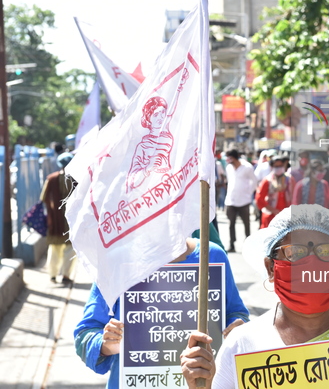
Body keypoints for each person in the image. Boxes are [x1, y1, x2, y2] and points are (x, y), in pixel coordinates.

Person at [180, 205, 329, 389]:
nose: (311, 264)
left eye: (326, 251)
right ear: (271, 268)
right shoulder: (242, 344)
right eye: (295, 252)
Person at [74, 238, 249, 389]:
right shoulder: (117, 262)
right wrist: (105, 345)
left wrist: (236, 327)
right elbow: (84, 335)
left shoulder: (211, 255)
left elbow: (236, 313)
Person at [41, 152, 76, 284]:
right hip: (71, 220)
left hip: (55, 219)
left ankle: (53, 275)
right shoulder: (75, 180)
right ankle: (66, 275)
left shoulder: (51, 179)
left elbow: (44, 198)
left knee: (54, 248)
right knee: (70, 248)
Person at [224, 149, 258, 252]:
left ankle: (248, 244)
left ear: (234, 158)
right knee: (231, 223)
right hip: (231, 200)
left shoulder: (247, 167)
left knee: (246, 224)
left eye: (229, 158)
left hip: (244, 200)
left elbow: (254, 181)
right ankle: (232, 244)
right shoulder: (229, 168)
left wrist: (249, 193)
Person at [255, 156, 293, 228]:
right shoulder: (267, 180)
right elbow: (259, 198)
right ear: (272, 167)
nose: (279, 168)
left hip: (287, 216)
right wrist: (273, 210)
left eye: (280, 166)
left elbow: (295, 196)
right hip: (270, 216)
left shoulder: (289, 180)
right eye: (276, 166)